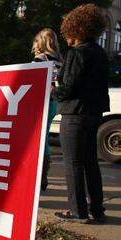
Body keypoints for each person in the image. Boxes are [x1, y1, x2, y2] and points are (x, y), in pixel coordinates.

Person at [53, 3, 109, 224]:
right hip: (94, 113)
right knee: (90, 162)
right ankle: (97, 208)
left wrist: (54, 91)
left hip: (75, 113)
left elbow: (68, 87)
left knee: (73, 163)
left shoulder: (77, 53)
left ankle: (78, 212)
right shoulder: (100, 53)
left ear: (74, 29)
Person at [31, 28, 63, 191]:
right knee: (44, 138)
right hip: (54, 103)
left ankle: (39, 175)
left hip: (40, 103)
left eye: (36, 41)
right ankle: (43, 174)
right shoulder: (59, 60)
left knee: (38, 139)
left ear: (41, 42)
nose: (34, 45)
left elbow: (30, 81)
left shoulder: (40, 59)